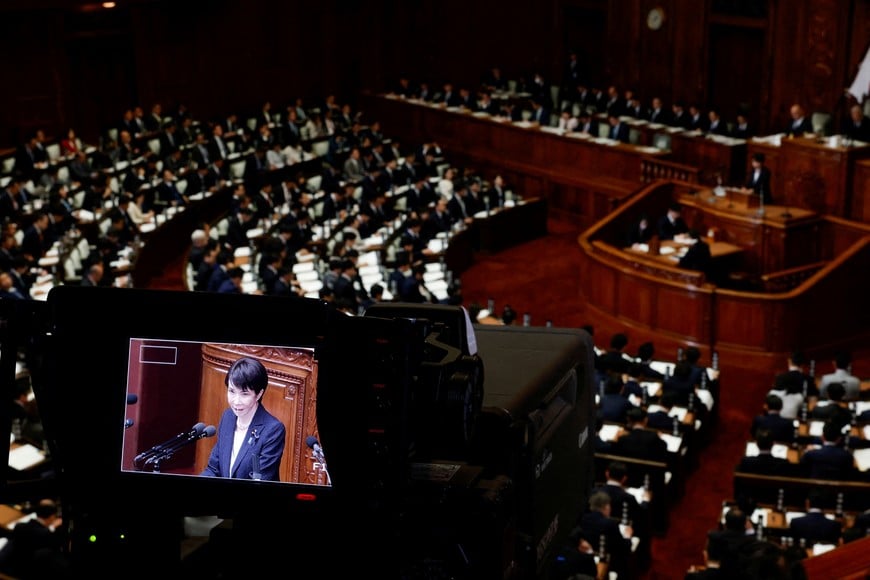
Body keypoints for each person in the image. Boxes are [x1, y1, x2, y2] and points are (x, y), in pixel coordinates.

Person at [201, 356, 286, 481]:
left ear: (259, 394)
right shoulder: (228, 417)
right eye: (232, 391)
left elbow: (259, 480)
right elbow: (213, 469)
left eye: (244, 394)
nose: (236, 401)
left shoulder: (272, 430)